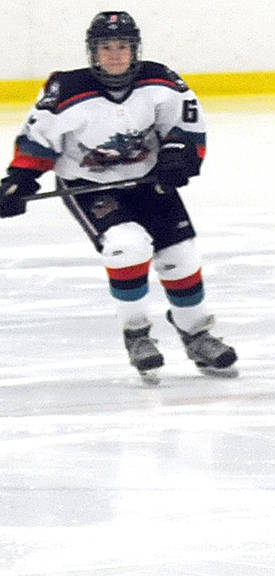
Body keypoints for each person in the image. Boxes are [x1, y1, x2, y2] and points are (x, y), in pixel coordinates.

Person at [0, 11, 236, 383]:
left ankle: (196, 333)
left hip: (145, 181)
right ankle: (137, 335)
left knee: (181, 257)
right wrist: (20, 179)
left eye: (122, 47)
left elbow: (186, 126)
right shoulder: (66, 90)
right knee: (127, 245)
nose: (114, 55)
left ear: (135, 50)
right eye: (105, 48)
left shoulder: (161, 80)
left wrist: (180, 154)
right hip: (87, 186)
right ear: (93, 52)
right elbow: (38, 139)